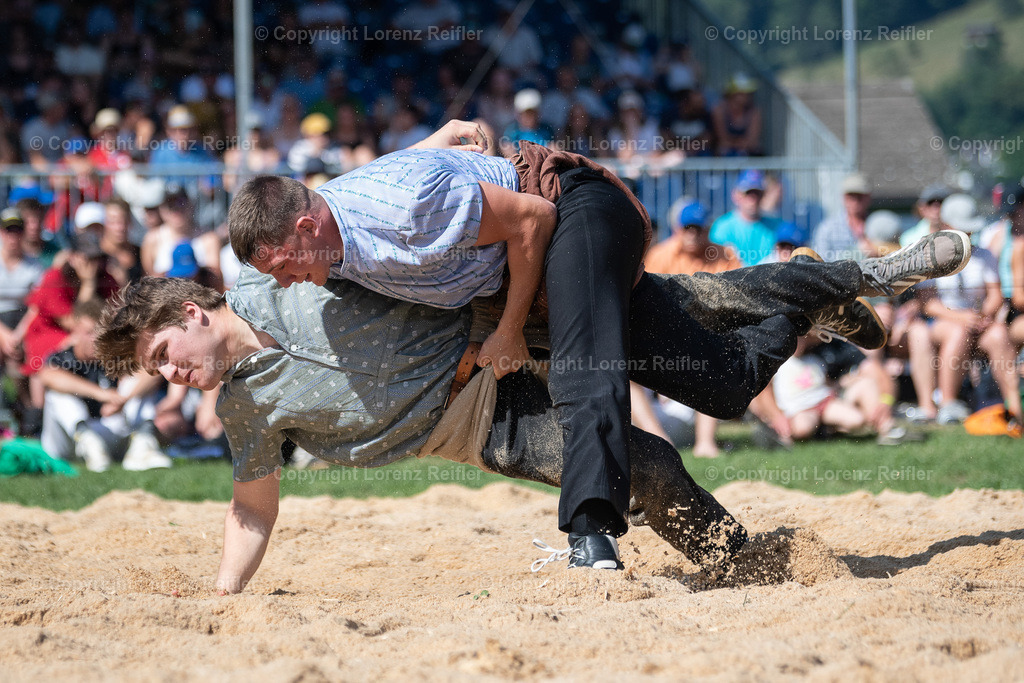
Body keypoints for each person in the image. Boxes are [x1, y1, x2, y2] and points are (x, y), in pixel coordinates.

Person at [225, 123, 970, 571]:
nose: (286, 281)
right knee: (725, 385)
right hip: (524, 281)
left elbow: (530, 221)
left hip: (569, 210)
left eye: (283, 265)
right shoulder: (327, 233)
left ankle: (592, 535)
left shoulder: (399, 213)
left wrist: (508, 330)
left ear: (303, 228)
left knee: (589, 364)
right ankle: (808, 296)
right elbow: (362, 185)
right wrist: (437, 139)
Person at [96, 222, 970, 591]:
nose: (168, 375)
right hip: (479, 419)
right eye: (155, 372)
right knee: (644, 465)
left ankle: (868, 272)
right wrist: (224, 596)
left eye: (162, 355)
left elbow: (355, 211)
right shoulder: (244, 410)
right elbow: (252, 509)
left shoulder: (271, 271)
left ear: (192, 314)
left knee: (698, 302)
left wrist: (445, 142)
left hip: (500, 320)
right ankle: (739, 559)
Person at [38, 299, 171, 472]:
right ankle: (88, 443)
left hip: (105, 434)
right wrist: (103, 394)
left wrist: (124, 399)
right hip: (67, 443)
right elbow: (48, 376)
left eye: (100, 332)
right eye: (89, 332)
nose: (95, 339)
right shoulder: (63, 357)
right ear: (75, 331)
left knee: (135, 385)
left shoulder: (113, 357)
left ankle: (142, 448)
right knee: (56, 395)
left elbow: (152, 372)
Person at [709, 170, 784, 266]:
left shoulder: (776, 227)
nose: (753, 200)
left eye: (757, 194)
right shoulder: (722, 227)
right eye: (748, 194)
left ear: (763, 196)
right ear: (736, 195)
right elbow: (715, 262)